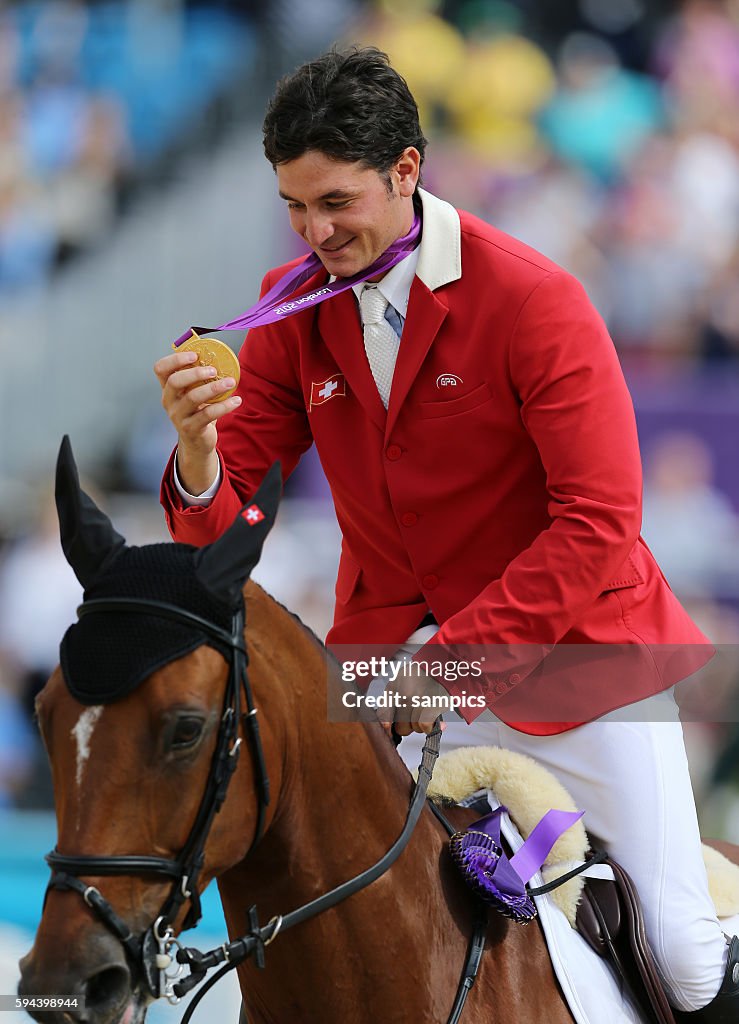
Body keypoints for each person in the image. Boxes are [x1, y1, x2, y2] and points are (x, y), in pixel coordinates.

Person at [154, 47, 737, 1021]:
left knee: (679, 954)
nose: (314, 231)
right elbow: (225, 529)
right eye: (295, 207)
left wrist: (451, 667)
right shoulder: (294, 303)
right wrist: (197, 449)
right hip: (382, 668)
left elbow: (597, 522)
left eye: (335, 202)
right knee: (302, 919)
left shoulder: (534, 298)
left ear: (407, 172)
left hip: (576, 664)